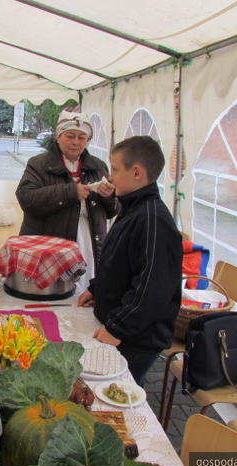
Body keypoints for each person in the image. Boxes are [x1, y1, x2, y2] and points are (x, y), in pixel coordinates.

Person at [77, 136, 182, 386]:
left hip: (135, 338)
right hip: (122, 325)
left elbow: (151, 291)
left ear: (137, 172)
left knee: (113, 392)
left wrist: (117, 329)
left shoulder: (153, 219)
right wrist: (97, 288)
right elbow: (120, 261)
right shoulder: (134, 207)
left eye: (114, 169)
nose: (110, 177)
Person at [16, 111, 118, 293]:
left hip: (88, 243)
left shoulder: (98, 166)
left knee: (84, 292)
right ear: (58, 137)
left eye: (82, 137)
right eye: (70, 136)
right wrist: (70, 191)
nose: (76, 142)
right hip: (50, 246)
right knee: (53, 294)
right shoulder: (39, 164)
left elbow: (113, 210)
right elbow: (26, 198)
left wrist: (109, 195)